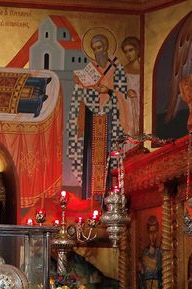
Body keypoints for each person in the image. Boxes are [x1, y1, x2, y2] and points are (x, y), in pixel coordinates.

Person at [66, 30, 127, 198]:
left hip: (111, 121)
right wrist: (80, 84)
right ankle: (92, 197)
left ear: (106, 47)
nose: (97, 52)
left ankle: (111, 195)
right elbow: (79, 96)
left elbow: (123, 93)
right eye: (94, 49)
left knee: (110, 160)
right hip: (91, 121)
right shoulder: (89, 69)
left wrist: (109, 91)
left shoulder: (117, 68)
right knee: (91, 159)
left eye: (100, 47)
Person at [137, 215, 162, 289]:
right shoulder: (143, 254)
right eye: (151, 232)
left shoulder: (161, 253)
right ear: (148, 233)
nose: (153, 236)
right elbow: (140, 278)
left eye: (155, 232)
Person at [120, 36, 140, 136]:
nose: (128, 54)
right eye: (125, 52)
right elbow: (119, 90)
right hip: (128, 105)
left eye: (130, 50)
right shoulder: (123, 69)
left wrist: (137, 94)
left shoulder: (145, 68)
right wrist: (126, 92)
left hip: (140, 105)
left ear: (137, 49)